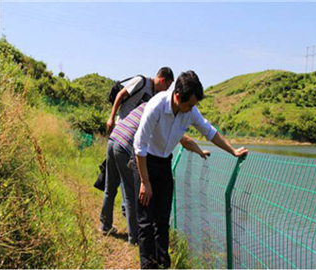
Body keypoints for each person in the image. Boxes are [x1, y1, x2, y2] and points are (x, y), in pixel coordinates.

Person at [133, 70, 249, 269]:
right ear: (177, 96)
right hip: (145, 163)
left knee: (162, 219)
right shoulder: (157, 106)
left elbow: (210, 132)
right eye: (189, 104)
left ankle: (163, 262)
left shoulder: (190, 111)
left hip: (163, 163)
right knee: (146, 221)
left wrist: (232, 151)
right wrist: (145, 182)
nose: (191, 109)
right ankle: (148, 265)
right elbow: (139, 146)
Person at [103, 101, 210, 245]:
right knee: (131, 193)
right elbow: (185, 140)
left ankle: (105, 225)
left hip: (113, 139)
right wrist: (200, 151)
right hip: (125, 146)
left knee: (110, 186)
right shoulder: (156, 112)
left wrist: (199, 151)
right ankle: (134, 238)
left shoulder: (144, 106)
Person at [100, 67, 174, 235]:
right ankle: (134, 235)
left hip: (120, 139)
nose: (166, 91)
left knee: (113, 185)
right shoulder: (141, 82)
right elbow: (120, 95)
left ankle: (106, 225)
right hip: (124, 137)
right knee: (129, 190)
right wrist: (111, 117)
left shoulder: (155, 96)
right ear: (162, 80)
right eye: (167, 86)